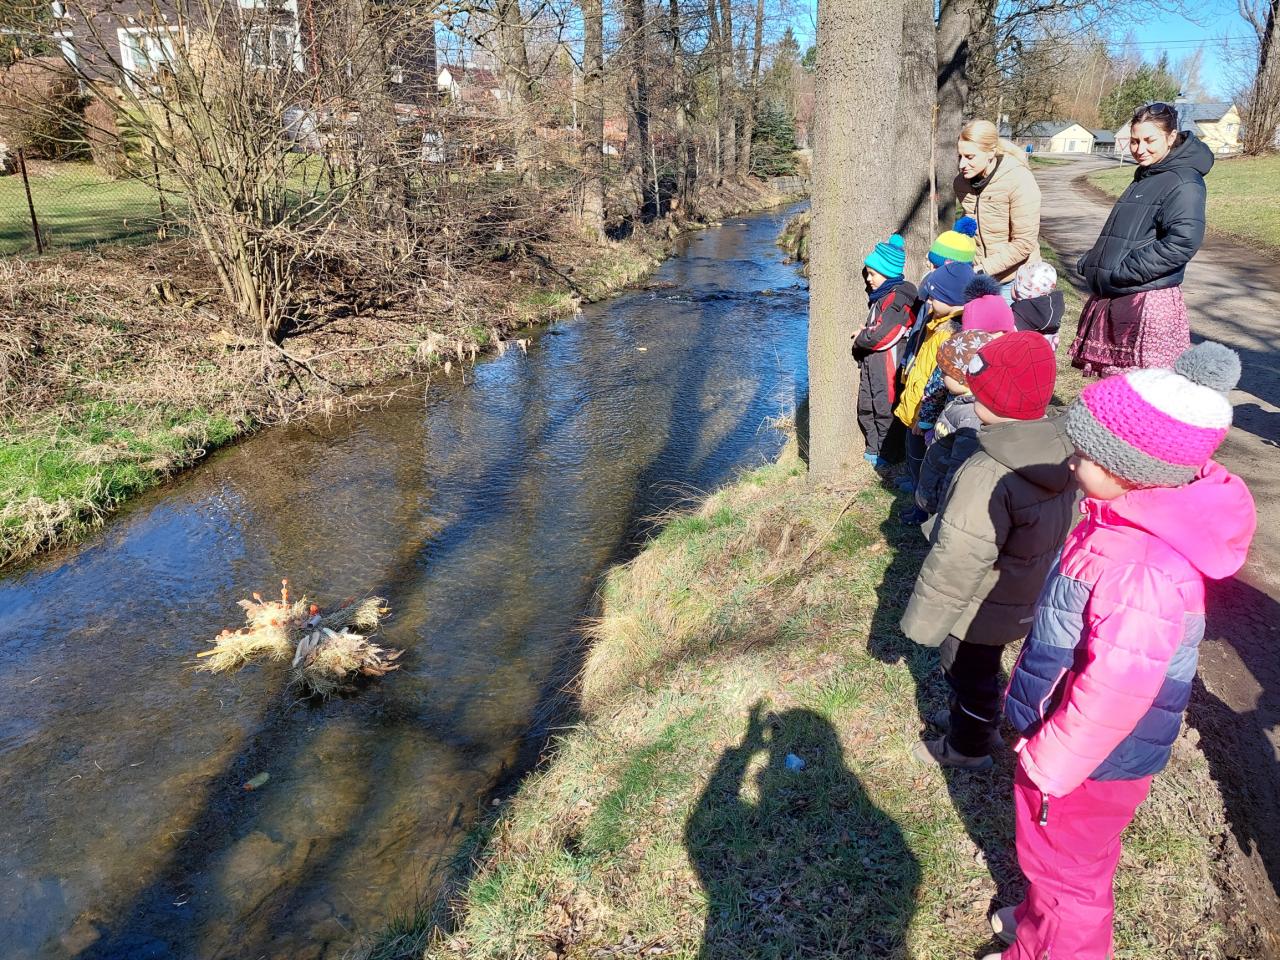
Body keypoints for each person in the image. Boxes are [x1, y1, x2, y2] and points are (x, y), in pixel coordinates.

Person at [987, 342, 1257, 960]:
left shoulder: (1141, 567)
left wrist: (1054, 761)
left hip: (1088, 759)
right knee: (1063, 861)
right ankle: (1039, 922)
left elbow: (1116, 692)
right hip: (1081, 745)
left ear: (1129, 468)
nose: (1072, 460)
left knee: (1067, 873)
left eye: (1085, 454)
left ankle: (1053, 946)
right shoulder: (1119, 519)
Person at [899, 332, 1068, 770]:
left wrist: (925, 621)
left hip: (979, 604)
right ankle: (978, 718)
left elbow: (959, 555)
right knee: (983, 667)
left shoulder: (986, 470)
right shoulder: (1059, 450)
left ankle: (969, 744)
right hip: (1022, 591)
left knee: (965, 671)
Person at [1071, 102, 1211, 376]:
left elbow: (1182, 241)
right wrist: (1093, 261)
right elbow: (1126, 234)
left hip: (1146, 301)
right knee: (1112, 391)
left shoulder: (1184, 181)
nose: (1140, 148)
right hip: (1120, 297)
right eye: (1134, 141)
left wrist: (1123, 270)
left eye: (1149, 140)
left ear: (1171, 137)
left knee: (1142, 390)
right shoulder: (1148, 175)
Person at [894, 260, 974, 504]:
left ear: (952, 299)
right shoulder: (935, 322)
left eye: (933, 297)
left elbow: (938, 381)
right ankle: (913, 483)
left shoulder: (950, 334)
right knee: (912, 451)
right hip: (918, 403)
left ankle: (920, 503)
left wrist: (925, 417)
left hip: (926, 411)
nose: (928, 301)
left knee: (922, 457)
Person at [955, 119, 1043, 300]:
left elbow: (1024, 242)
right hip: (978, 277)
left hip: (1015, 281)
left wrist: (983, 268)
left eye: (969, 157)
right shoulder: (961, 183)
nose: (962, 164)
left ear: (991, 152)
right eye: (959, 156)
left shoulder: (1018, 179)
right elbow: (969, 227)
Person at [914, 329, 998, 518]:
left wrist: (945, 510)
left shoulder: (972, 418)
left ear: (964, 376)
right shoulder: (960, 400)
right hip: (936, 490)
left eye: (945, 372)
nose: (941, 376)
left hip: (946, 505)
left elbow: (958, 472)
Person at [852, 233, 917, 469]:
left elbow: (884, 335)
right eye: (868, 273)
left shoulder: (899, 298)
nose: (868, 279)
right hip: (874, 362)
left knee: (885, 406)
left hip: (888, 364)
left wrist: (861, 338)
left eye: (873, 274)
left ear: (888, 273)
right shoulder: (882, 297)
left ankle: (889, 453)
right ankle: (873, 447)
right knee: (866, 404)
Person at [1010, 261, 1065, 351]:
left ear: (1020, 289)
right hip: (1042, 356)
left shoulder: (1016, 315)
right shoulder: (1051, 311)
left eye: (1015, 283)